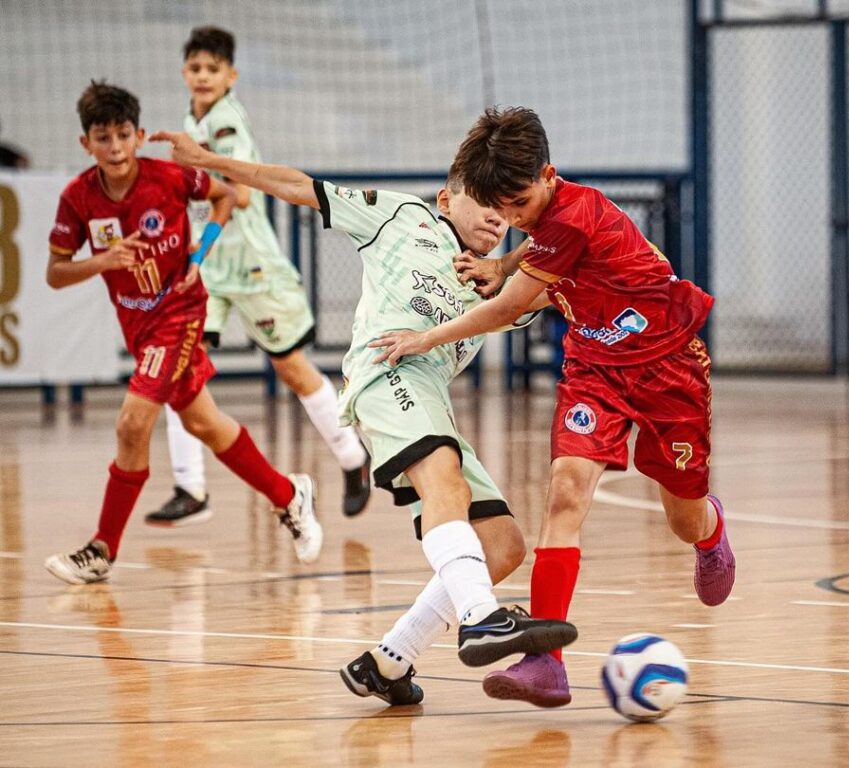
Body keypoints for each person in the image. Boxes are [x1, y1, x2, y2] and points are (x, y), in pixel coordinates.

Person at [149, 127, 578, 695]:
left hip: (430, 399)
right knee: (444, 484)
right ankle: (478, 619)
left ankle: (390, 660)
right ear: (447, 199)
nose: (499, 217)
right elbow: (300, 187)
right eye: (484, 199)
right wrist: (211, 162)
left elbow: (579, 269)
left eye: (508, 208)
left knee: (501, 544)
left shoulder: (508, 286)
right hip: (386, 373)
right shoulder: (401, 215)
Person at [370, 106, 736, 708]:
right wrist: (503, 259)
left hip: (668, 366)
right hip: (594, 367)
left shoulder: (578, 214)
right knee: (565, 489)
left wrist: (424, 337)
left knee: (683, 516)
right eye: (501, 211)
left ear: (549, 173)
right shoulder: (545, 218)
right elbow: (540, 244)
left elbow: (508, 308)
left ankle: (711, 530)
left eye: (518, 203)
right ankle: (547, 663)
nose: (512, 218)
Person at [44, 82, 322, 585]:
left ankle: (101, 548)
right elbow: (55, 273)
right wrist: (102, 261)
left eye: (123, 135)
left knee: (133, 425)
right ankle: (288, 495)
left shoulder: (168, 177)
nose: (115, 147)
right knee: (204, 424)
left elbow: (229, 195)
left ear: (139, 135)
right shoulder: (78, 198)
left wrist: (201, 252)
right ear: (86, 144)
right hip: (139, 325)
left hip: (181, 313)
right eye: (102, 138)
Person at [145, 26, 370, 528]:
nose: (202, 76)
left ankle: (353, 458)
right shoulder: (192, 118)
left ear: (231, 77)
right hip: (208, 269)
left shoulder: (224, 124)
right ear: (185, 74)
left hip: (252, 266)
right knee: (180, 367)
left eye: (212, 69)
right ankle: (190, 485)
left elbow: (241, 193)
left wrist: (185, 184)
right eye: (195, 68)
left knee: (291, 368)